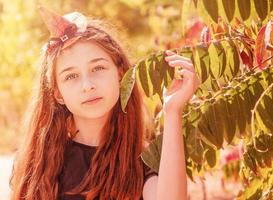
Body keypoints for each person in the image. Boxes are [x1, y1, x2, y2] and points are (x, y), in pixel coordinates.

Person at [10, 6, 200, 200]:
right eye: (71, 76)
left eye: (98, 67)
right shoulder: (37, 162)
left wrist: (173, 112)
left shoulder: (143, 159)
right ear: (58, 93)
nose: (87, 85)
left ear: (120, 74)